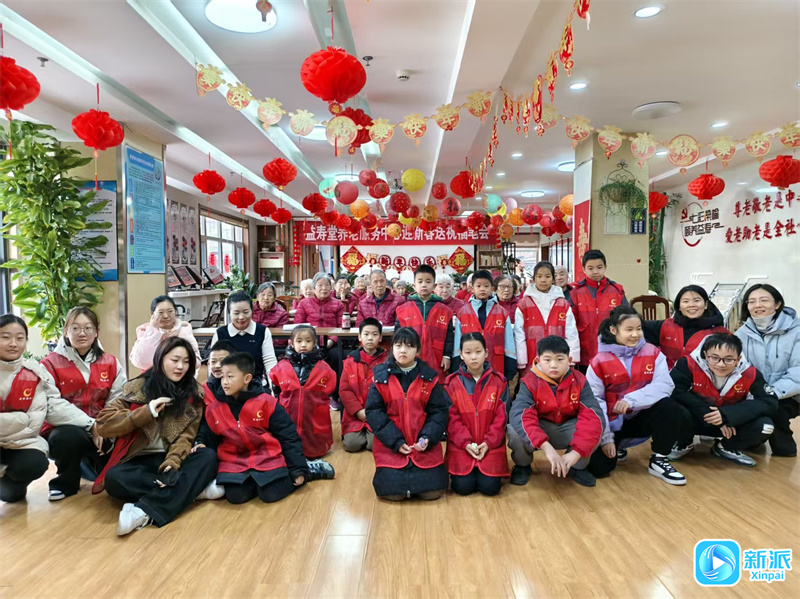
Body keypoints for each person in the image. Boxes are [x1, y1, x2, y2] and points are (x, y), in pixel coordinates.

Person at [93, 337, 219, 536]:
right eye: (175, 360)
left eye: (186, 362)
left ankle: (142, 511)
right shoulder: (136, 387)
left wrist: (172, 462)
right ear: (160, 359)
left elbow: (186, 437)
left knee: (208, 456)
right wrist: (146, 411)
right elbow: (104, 424)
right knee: (114, 479)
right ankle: (192, 489)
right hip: (138, 460)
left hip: (171, 461)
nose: (180, 367)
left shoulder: (194, 394)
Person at [585, 307, 689, 485]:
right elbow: (594, 401)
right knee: (599, 469)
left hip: (640, 418)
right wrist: (606, 438)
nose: (635, 335)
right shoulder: (599, 361)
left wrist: (631, 400)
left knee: (669, 406)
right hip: (611, 425)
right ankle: (617, 445)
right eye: (629, 329)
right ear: (613, 330)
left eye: (639, 329)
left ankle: (659, 459)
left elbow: (665, 384)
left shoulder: (653, 352)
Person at [0, 315, 98, 503]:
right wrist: (21, 419)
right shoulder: (52, 361)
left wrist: (92, 424)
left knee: (33, 466)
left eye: (20, 338)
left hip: (18, 444)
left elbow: (50, 409)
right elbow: (27, 421)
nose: (13, 344)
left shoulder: (34, 373)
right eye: (5, 337)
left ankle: (8, 481)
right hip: (18, 435)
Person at [193, 352, 309, 504]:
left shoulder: (267, 402)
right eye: (223, 377)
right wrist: (201, 441)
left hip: (267, 458)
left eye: (230, 377)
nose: (224, 382)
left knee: (270, 495)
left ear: (247, 378)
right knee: (235, 497)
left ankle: (309, 470)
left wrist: (298, 469)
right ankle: (259, 482)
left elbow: (288, 435)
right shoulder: (215, 408)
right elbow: (207, 430)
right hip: (235, 462)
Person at [40, 307, 126, 501]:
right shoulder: (49, 364)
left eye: (88, 328)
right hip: (63, 429)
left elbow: (118, 398)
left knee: (112, 468)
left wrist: (104, 426)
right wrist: (91, 425)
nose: (82, 333)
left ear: (96, 332)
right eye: (75, 328)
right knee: (70, 436)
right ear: (66, 331)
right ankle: (64, 484)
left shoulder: (110, 362)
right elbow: (52, 406)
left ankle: (92, 469)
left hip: (101, 427)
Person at [365, 327, 450, 501]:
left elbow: (439, 412)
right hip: (391, 445)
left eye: (409, 346)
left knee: (433, 492)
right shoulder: (380, 377)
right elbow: (374, 412)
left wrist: (427, 438)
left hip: (423, 445)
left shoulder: (429, 378)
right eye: (398, 345)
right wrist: (395, 441)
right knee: (392, 494)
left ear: (417, 351)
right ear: (392, 348)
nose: (403, 350)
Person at [508, 336, 604, 487]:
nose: (553, 365)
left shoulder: (579, 380)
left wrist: (576, 453)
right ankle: (522, 465)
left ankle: (577, 467)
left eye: (560, 359)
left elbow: (593, 415)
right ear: (538, 360)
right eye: (547, 360)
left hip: (568, 427)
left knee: (596, 425)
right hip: (541, 428)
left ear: (569, 360)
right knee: (514, 429)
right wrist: (546, 447)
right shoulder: (529, 382)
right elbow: (520, 414)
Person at [669, 334, 778, 467]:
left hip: (730, 426)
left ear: (738, 359)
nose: (721, 364)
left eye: (729, 359)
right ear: (705, 355)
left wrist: (729, 415)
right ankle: (684, 443)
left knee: (765, 426)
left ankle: (726, 447)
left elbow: (770, 402)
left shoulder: (750, 373)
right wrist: (710, 413)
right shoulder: (688, 364)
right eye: (714, 358)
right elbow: (674, 391)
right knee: (671, 408)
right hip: (696, 419)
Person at [735, 284, 799, 456]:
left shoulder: (796, 331)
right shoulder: (741, 334)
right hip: (756, 394)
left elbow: (798, 371)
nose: (758, 305)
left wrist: (769, 393)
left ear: (777, 304)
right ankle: (755, 437)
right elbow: (739, 369)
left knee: (775, 410)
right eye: (752, 301)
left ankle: (781, 444)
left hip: (791, 394)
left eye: (764, 300)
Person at [445, 333, 509, 496]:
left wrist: (488, 442)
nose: (473, 357)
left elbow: (501, 419)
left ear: (486, 353)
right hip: (462, 447)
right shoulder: (451, 383)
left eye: (478, 352)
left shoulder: (499, 382)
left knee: (490, 488)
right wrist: (465, 442)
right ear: (461, 355)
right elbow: (452, 420)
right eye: (468, 352)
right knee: (463, 488)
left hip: (490, 446)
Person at [268, 326, 337, 471]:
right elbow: (276, 387)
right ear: (291, 343)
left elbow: (330, 387)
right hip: (289, 413)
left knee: (314, 444)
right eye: (299, 341)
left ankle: (312, 461)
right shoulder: (282, 366)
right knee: (287, 444)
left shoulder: (324, 368)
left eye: (308, 341)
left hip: (314, 416)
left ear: (315, 343)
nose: (303, 345)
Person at [514, 261, 580, 373]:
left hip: (558, 355)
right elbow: (519, 334)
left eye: (547, 276)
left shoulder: (563, 304)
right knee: (533, 382)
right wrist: (521, 360)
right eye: (539, 276)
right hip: (532, 355)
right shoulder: (524, 304)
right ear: (534, 279)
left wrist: (572, 358)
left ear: (553, 279)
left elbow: (571, 332)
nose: (543, 280)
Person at [453, 270, 517, 382]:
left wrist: (511, 364)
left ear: (492, 288)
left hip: (496, 364)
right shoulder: (463, 312)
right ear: (472, 288)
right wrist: (456, 362)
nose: (482, 289)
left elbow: (509, 340)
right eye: (478, 286)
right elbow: (458, 341)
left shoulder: (501, 312)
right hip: (470, 366)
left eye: (486, 286)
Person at [643, 285, 728, 369]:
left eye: (696, 300)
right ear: (679, 306)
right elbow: (638, 326)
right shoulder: (666, 326)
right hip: (667, 376)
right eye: (686, 301)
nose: (691, 305)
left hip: (701, 377)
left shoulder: (719, 333)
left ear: (706, 305)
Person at [569, 250, 628, 370]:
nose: (595, 271)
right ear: (584, 269)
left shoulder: (616, 291)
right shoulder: (575, 292)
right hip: (584, 353)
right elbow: (569, 325)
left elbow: (626, 320)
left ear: (605, 267)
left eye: (599, 267)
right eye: (590, 268)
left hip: (612, 351)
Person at [395, 265, 455, 383]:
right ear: (414, 285)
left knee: (434, 385)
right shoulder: (403, 310)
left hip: (436, 357)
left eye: (428, 282)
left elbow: (449, 337)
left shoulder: (445, 310)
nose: (424, 285)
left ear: (434, 286)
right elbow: (397, 336)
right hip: (410, 357)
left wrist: (447, 356)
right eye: (420, 281)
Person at [340, 318, 388, 452]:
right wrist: (358, 410)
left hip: (378, 413)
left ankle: (370, 434)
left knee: (373, 445)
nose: (370, 338)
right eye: (366, 334)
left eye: (374, 334)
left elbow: (390, 390)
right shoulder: (350, 361)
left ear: (380, 337)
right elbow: (344, 389)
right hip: (355, 414)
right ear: (359, 337)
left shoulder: (387, 361)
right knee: (352, 445)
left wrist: (374, 411)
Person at [210, 290, 278, 385]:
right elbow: (213, 364)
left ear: (252, 311)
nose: (241, 317)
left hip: (256, 385)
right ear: (229, 313)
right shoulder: (220, 333)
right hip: (226, 386)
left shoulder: (262, 331)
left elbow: (270, 362)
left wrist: (273, 387)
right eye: (236, 313)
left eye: (246, 312)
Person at [130, 295, 201, 373]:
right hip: (153, 377)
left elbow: (195, 362)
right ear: (152, 314)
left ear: (175, 312)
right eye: (160, 312)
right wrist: (153, 331)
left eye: (170, 311)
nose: (166, 316)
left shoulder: (184, 330)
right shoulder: (145, 331)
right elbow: (141, 361)